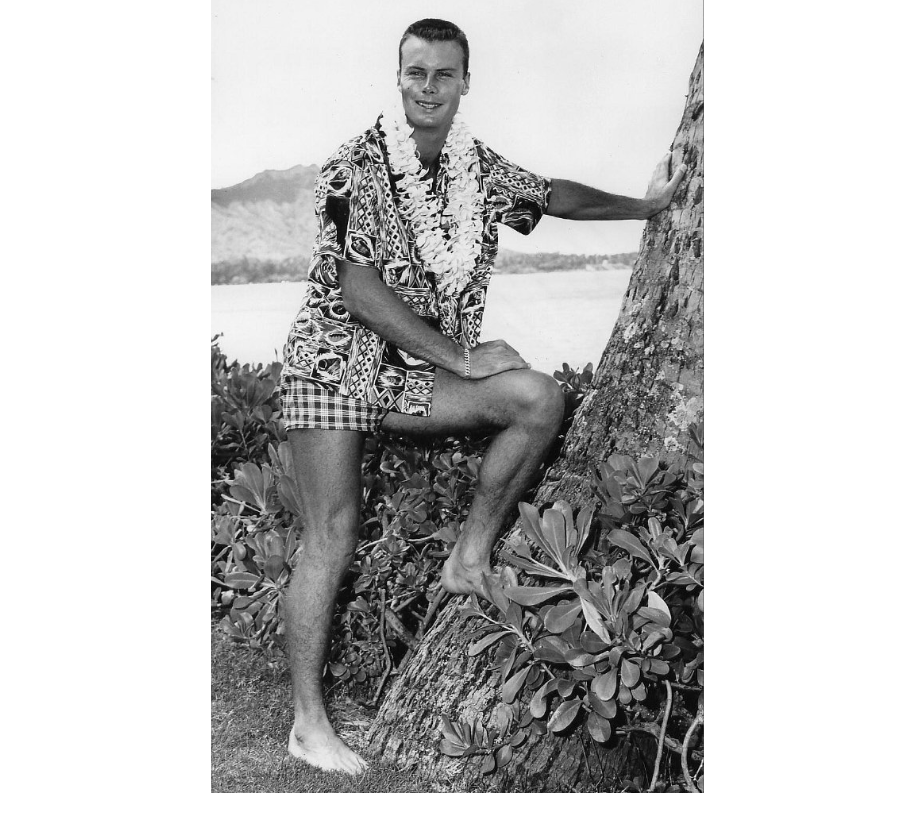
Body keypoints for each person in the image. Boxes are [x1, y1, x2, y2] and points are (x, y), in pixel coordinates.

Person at [279, 18, 685, 774]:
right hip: (332, 365)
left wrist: (647, 207)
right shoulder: (352, 168)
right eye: (414, 73)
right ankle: (308, 724)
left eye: (442, 74)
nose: (426, 88)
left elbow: (553, 193)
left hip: (412, 372)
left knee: (535, 398)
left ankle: (468, 558)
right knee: (329, 536)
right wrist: (462, 359)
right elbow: (359, 290)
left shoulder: (475, 165)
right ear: (396, 77)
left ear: (466, 82)